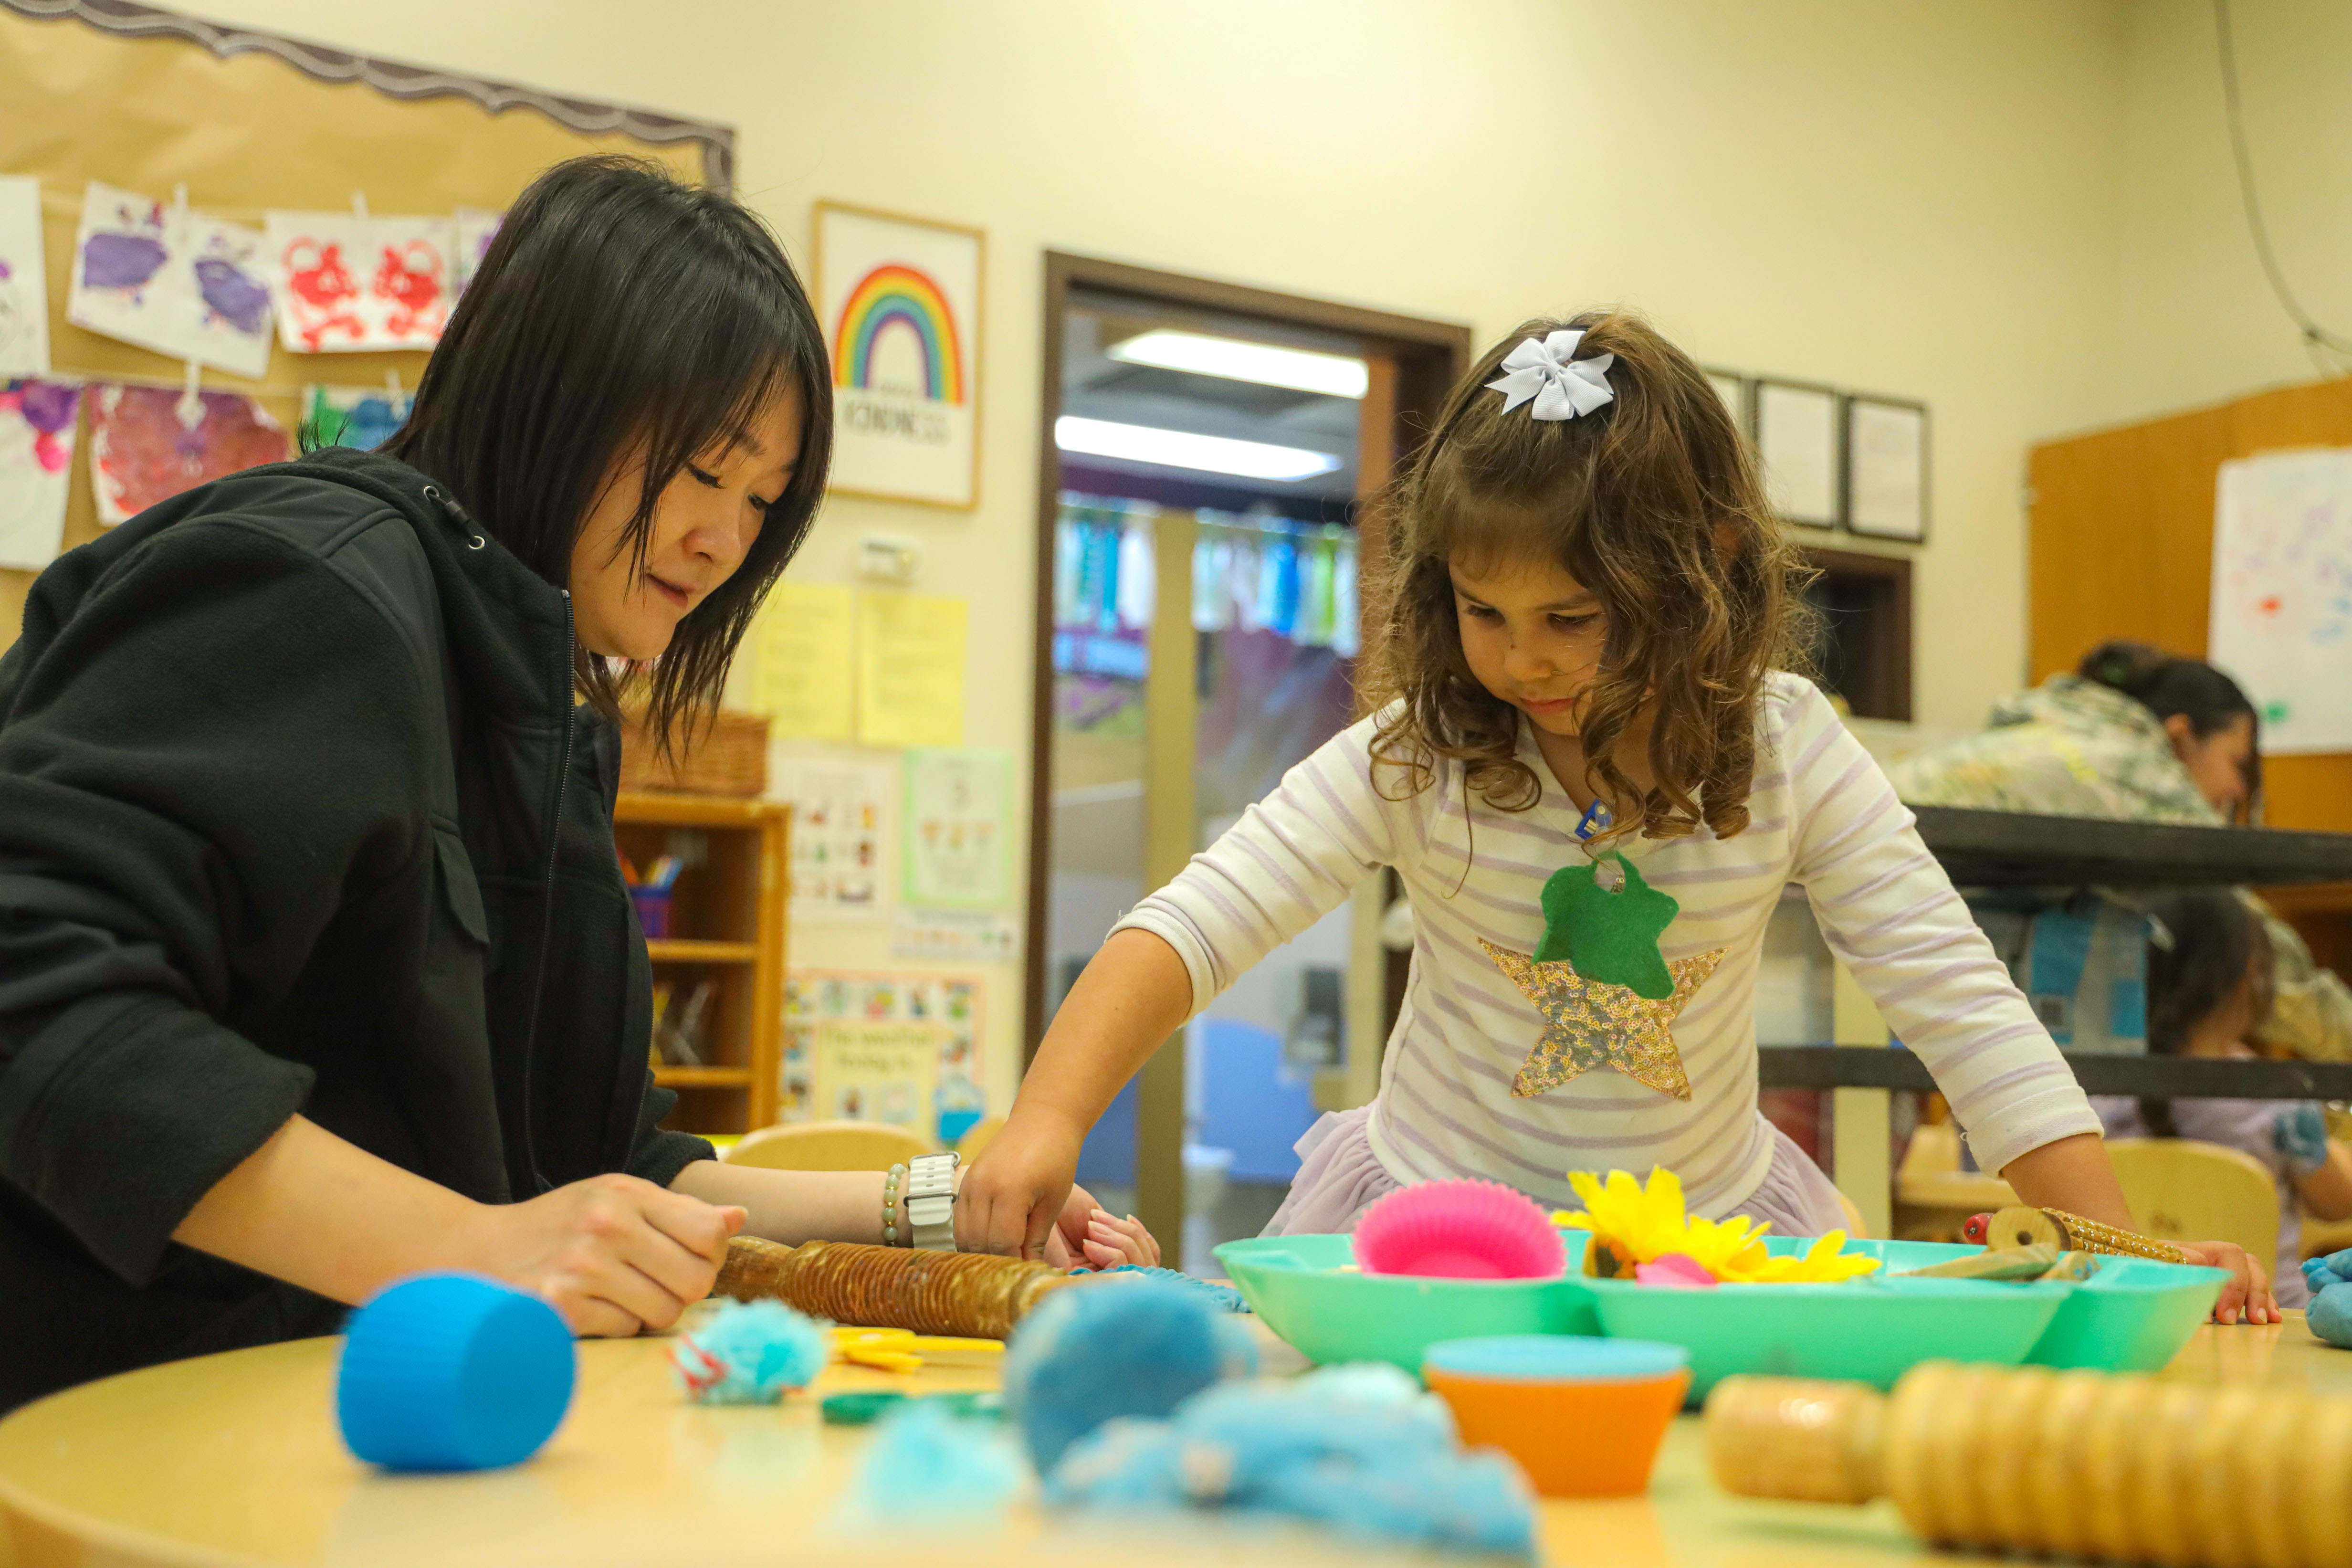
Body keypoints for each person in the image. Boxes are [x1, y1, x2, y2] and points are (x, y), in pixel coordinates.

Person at [0, 157, 1151, 1412]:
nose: (727, 540)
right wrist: (465, 1247)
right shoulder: (311, 586)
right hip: (108, 1420)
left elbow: (596, 1166)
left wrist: (945, 1208)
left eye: (764, 501)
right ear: (557, 393)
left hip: (366, 1419)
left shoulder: (536, 706)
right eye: (706, 473)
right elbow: (37, 993)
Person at [957, 310, 2268, 1323]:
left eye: (1573, 619)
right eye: (1484, 613)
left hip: (1701, 1243)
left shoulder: (1787, 747)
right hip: (1432, 1224)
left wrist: (2119, 1252)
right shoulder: (1425, 756)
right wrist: (1043, 1121)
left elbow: (1962, 1005)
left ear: (1707, 574)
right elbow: (1195, 924)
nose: (1524, 662)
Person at [1887, 641, 2352, 1064]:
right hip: (1868, 929)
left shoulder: (2048, 737)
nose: (2234, 788)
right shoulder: (2137, 770)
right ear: (2178, 736)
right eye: (2235, 761)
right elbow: (2248, 950)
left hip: (1863, 931)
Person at [2090, 892, 2352, 1307]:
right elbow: (2339, 1203)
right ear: (2251, 975)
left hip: (2138, 1309)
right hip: (2265, 1322)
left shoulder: (2092, 1090)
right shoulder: (2277, 1097)